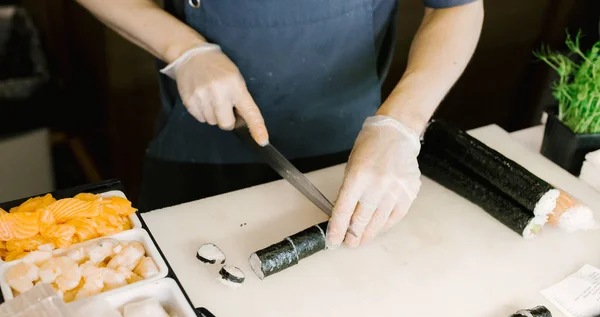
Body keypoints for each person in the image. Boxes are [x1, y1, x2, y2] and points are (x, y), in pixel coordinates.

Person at [76, 0, 484, 248]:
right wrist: (182, 49)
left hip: (357, 154)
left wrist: (402, 125)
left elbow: (457, 6)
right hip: (201, 142)